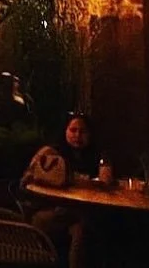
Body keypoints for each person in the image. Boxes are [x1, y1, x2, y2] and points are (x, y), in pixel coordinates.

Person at [23, 114, 101, 268]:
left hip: (74, 212)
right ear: (65, 131)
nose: (77, 135)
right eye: (73, 130)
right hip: (48, 212)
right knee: (86, 218)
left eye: (83, 131)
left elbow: (104, 180)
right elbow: (27, 179)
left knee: (80, 230)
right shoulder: (51, 153)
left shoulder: (94, 156)